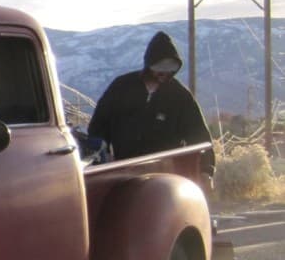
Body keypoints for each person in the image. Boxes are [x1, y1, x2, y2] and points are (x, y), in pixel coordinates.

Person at [87, 31, 215, 179]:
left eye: (169, 70)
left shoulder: (180, 97)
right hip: (123, 173)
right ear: (149, 65)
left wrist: (207, 171)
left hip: (166, 178)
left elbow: (200, 136)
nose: (164, 75)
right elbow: (98, 126)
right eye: (159, 70)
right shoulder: (121, 88)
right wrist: (102, 156)